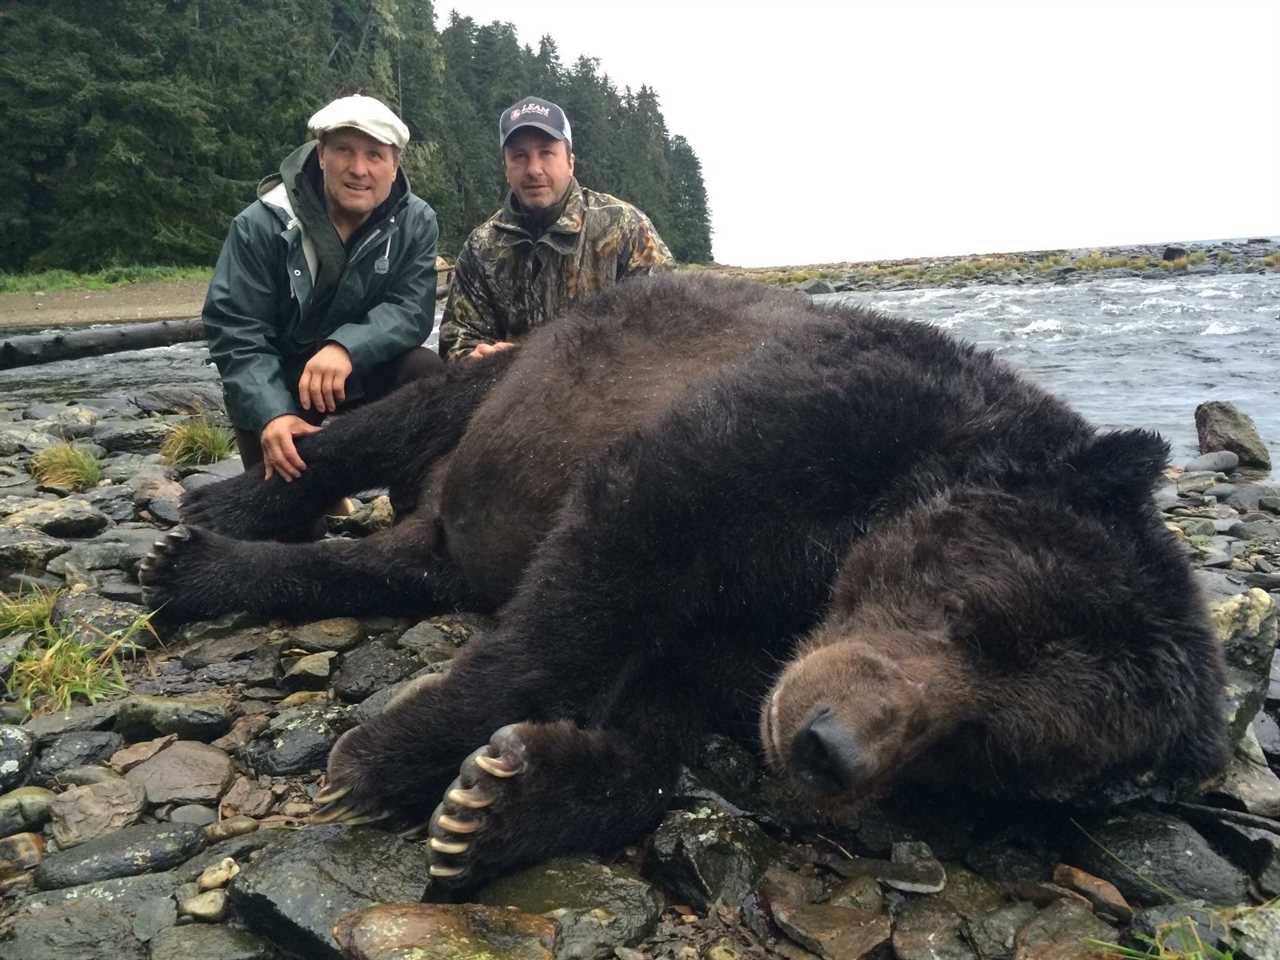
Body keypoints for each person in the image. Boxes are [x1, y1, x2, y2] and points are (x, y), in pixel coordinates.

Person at [203, 94, 441, 482]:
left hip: (363, 371)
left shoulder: (417, 221)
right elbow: (237, 333)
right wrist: (271, 413)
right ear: (321, 155)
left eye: (375, 155)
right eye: (344, 150)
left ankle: (412, 506)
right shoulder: (261, 224)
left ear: (394, 167)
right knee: (286, 525)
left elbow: (411, 309)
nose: (359, 169)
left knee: (425, 373)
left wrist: (346, 347)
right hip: (282, 381)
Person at [439, 95, 673, 361]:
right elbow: (456, 339)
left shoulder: (624, 228)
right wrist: (475, 358)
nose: (533, 169)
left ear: (570, 162)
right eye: (519, 156)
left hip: (609, 391)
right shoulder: (481, 246)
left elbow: (667, 324)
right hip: (511, 396)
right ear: (506, 168)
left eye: (546, 153)